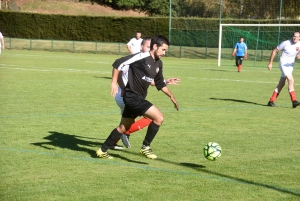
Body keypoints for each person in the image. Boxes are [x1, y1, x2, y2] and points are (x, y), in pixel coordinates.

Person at [96, 35, 179, 159]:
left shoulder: (158, 63)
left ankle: (102, 150)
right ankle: (146, 147)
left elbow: (160, 83)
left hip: (137, 98)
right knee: (159, 117)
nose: (164, 53)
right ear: (155, 46)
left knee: (123, 127)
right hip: (132, 96)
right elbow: (118, 63)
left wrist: (171, 96)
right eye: (163, 49)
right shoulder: (141, 57)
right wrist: (113, 82)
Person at [267, 31, 300, 108]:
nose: (295, 38)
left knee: (281, 84)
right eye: (294, 36)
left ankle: (271, 101)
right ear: (292, 36)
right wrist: (270, 63)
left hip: (290, 65)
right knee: (291, 80)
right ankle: (294, 101)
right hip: (283, 64)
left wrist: (299, 55)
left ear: (299, 38)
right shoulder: (285, 43)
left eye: (297, 36)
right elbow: (274, 50)